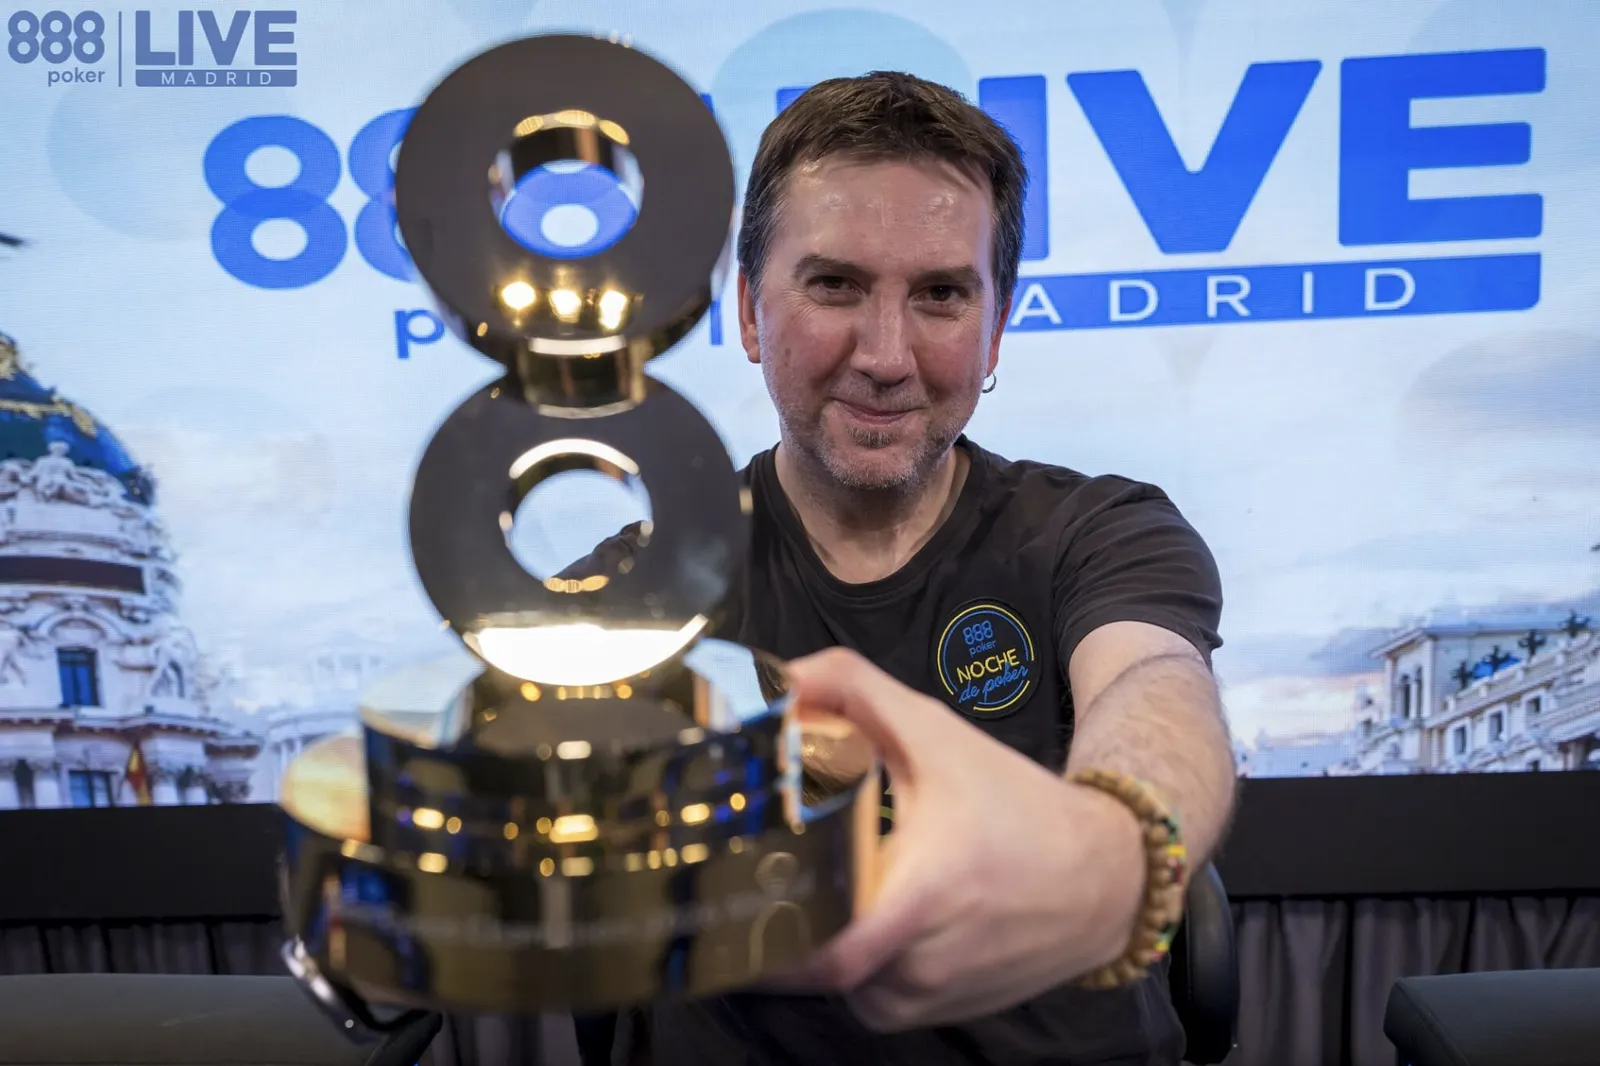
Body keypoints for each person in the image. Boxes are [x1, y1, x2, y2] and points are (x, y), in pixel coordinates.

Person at [581, 70, 1237, 1066]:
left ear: (995, 329)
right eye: (834, 286)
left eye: (940, 295)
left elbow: (1153, 681)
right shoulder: (636, 580)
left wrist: (1114, 851)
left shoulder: (1099, 530)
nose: (886, 356)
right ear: (751, 313)